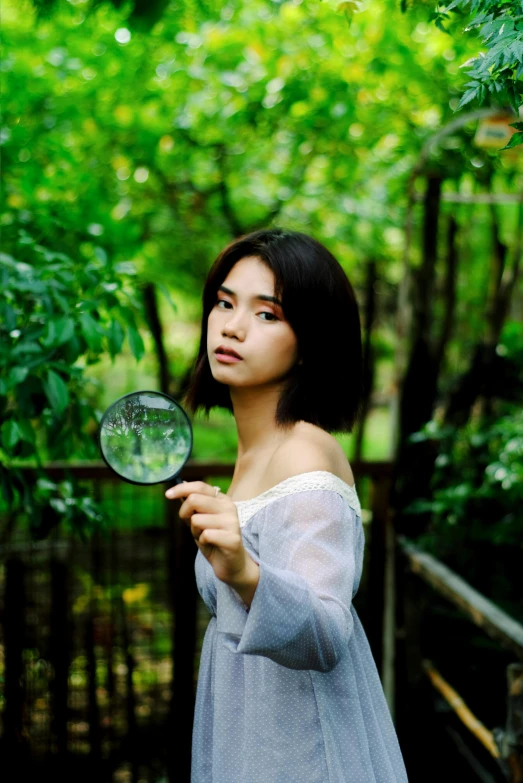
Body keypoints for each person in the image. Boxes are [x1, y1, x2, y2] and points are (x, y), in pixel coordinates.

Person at [165, 227, 409, 782]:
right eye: (225, 303)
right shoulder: (257, 452)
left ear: (311, 340)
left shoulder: (305, 458)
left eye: (268, 314)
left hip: (299, 749)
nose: (232, 325)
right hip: (250, 729)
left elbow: (326, 631)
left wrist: (245, 573)